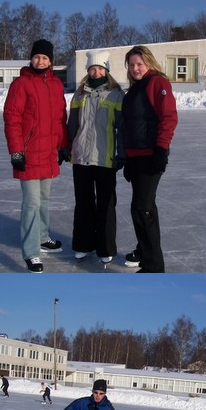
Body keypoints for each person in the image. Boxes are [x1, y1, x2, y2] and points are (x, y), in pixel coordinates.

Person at [3, 39, 69, 273]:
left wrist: (63, 145)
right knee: (31, 203)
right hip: (29, 154)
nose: (40, 61)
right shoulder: (21, 84)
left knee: (44, 198)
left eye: (45, 58)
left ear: (51, 61)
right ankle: (32, 252)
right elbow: (12, 118)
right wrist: (17, 151)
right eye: (37, 57)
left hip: (49, 152)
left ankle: (42, 236)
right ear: (31, 58)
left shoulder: (55, 85)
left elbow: (60, 118)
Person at [121, 45, 178, 273]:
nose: (135, 68)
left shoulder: (157, 83)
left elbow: (168, 117)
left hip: (150, 155)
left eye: (139, 64)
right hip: (136, 157)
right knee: (144, 208)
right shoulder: (135, 88)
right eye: (132, 64)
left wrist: (161, 150)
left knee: (142, 209)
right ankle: (144, 251)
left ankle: (153, 265)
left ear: (149, 63)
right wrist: (127, 159)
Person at [67, 50, 126, 264]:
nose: (96, 71)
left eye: (100, 68)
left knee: (106, 205)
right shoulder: (79, 94)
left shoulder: (116, 94)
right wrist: (67, 146)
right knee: (83, 203)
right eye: (93, 68)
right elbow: (72, 124)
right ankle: (83, 245)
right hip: (81, 157)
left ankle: (105, 247)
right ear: (88, 71)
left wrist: (122, 154)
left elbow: (122, 128)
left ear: (106, 71)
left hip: (105, 159)